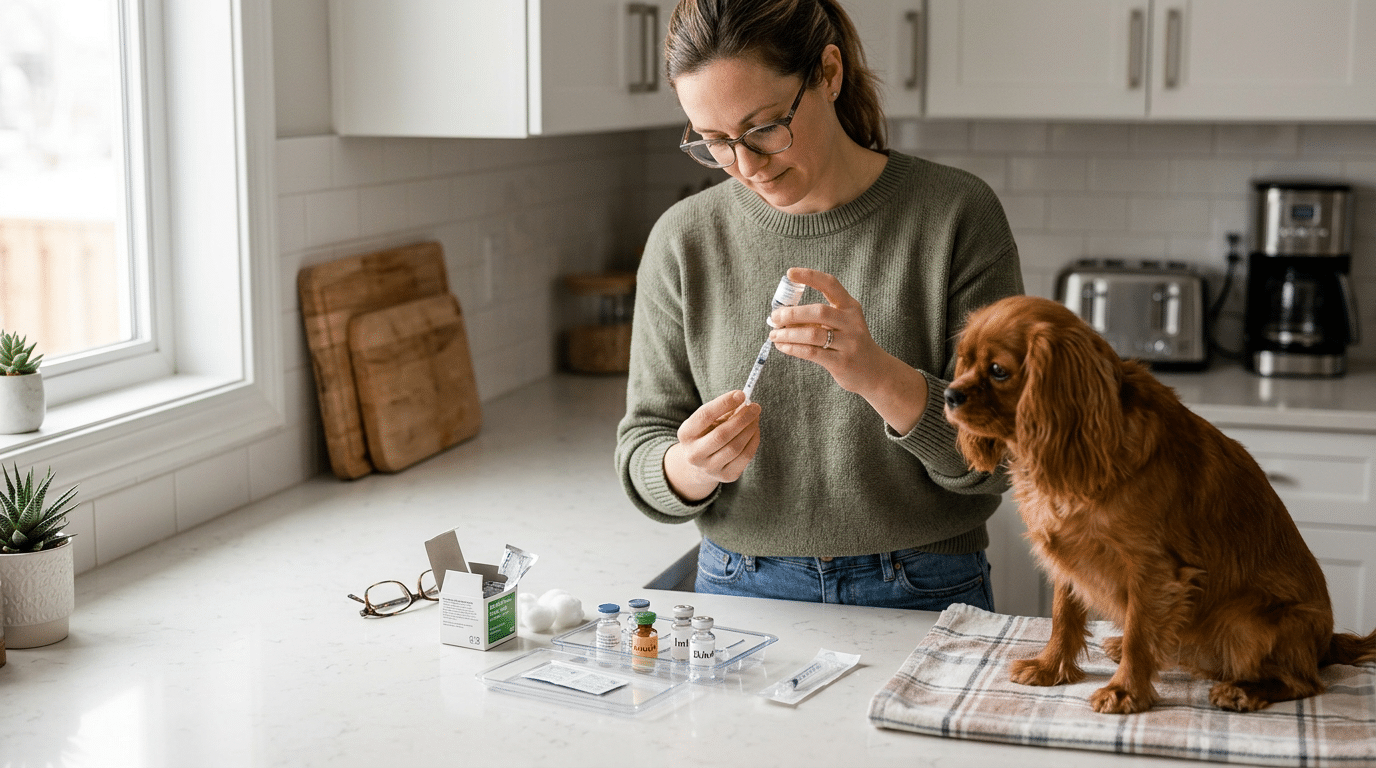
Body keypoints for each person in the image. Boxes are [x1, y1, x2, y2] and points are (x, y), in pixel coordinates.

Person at [614, 0, 1023, 611]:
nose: (747, 165)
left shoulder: (955, 215)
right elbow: (643, 445)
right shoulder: (683, 239)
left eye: (765, 127)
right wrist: (690, 466)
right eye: (715, 142)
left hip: (925, 585)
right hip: (737, 584)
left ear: (828, 73)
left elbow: (1002, 457)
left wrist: (878, 375)